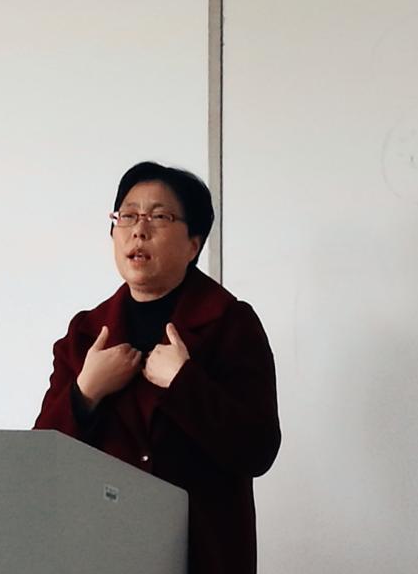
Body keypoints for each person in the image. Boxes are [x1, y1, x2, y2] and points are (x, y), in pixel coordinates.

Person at [34, 161, 281, 574]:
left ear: (193, 244)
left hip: (201, 555)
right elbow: (39, 463)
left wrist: (184, 384)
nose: (139, 230)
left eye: (159, 217)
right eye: (127, 216)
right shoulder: (86, 333)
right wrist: (84, 394)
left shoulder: (230, 323)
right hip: (101, 556)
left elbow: (258, 450)